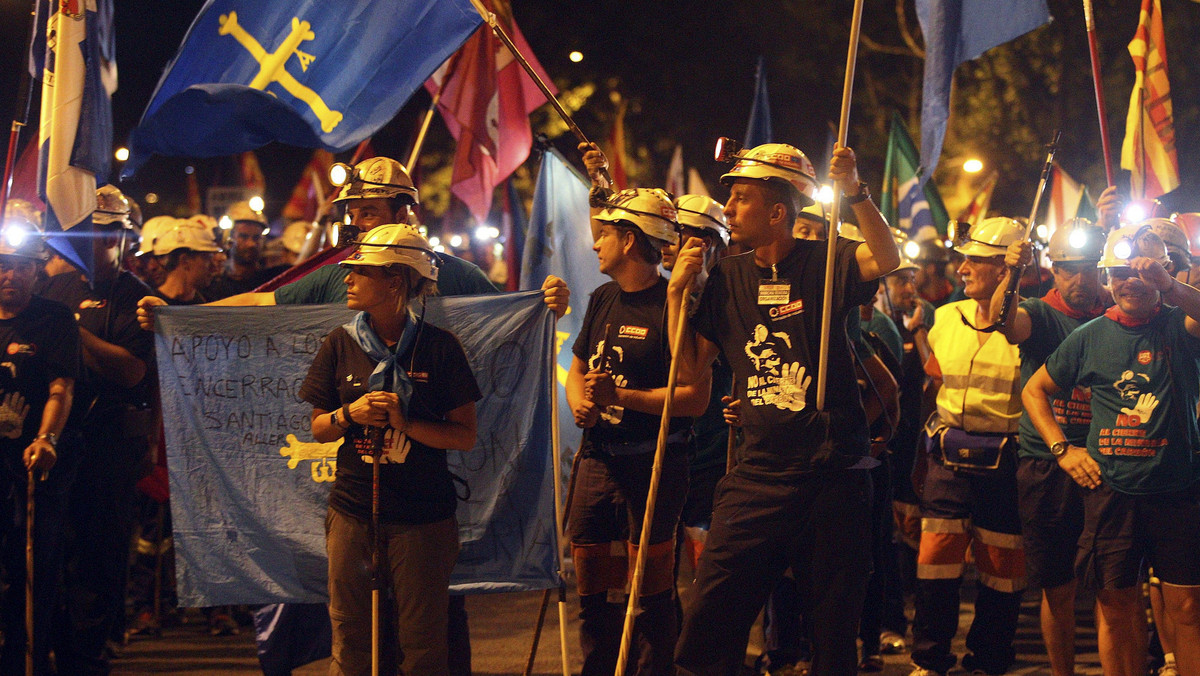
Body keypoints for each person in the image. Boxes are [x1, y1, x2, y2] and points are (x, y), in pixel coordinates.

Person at [136, 156, 567, 676]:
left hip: (434, 493)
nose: (358, 223)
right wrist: (178, 317)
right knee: (358, 630)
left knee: (431, 627)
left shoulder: (451, 275)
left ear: (404, 221)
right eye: (354, 212)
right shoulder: (342, 281)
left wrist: (548, 305)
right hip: (356, 495)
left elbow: (514, 315)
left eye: (369, 211)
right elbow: (264, 304)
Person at [668, 139, 899, 676]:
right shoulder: (726, 275)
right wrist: (679, 294)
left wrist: (857, 193)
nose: (727, 209)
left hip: (832, 477)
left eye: (741, 198)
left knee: (832, 638)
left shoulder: (829, 258)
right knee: (707, 625)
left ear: (778, 212)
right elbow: (688, 370)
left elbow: (887, 257)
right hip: (756, 478)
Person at [299, 223, 479, 675]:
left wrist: (407, 423)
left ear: (395, 281)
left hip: (423, 519)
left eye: (361, 271)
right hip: (353, 511)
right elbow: (319, 429)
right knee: (351, 634)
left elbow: (465, 435)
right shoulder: (339, 342)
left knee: (422, 642)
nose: (347, 278)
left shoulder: (440, 347)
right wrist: (349, 414)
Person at [1024, 225, 1200, 676]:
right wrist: (1063, 449)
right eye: (1120, 271)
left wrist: (1169, 285)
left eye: (1145, 271)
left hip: (1176, 489)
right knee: (1117, 606)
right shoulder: (1090, 335)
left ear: (1164, 272)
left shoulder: (1180, 325)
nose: (1131, 281)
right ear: (1107, 277)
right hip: (1112, 494)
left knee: (1188, 608)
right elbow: (1034, 391)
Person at [567, 163, 709, 675]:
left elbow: (693, 396)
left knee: (649, 592)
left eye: (604, 234)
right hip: (597, 460)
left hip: (653, 463)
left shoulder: (675, 303)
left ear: (629, 240)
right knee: (590, 584)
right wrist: (579, 399)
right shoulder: (603, 297)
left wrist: (622, 397)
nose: (595, 244)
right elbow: (578, 367)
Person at [989, 203, 1114, 676]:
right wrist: (1011, 272)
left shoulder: (1120, 313)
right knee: (1056, 586)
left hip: (1109, 462)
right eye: (1066, 271)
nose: (1077, 281)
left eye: (1085, 271)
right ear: (1053, 271)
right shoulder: (1040, 314)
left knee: (1112, 586)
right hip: (1047, 463)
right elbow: (1005, 322)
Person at [40, 186, 155, 675]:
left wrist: (72, 332)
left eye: (108, 233)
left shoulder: (140, 299)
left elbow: (132, 372)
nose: (95, 242)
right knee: (50, 556)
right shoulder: (52, 290)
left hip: (110, 450)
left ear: (125, 238)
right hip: (56, 447)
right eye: (85, 231)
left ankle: (85, 659)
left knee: (97, 561)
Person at [909, 217, 1028, 676]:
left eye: (974, 259)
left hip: (1006, 463)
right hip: (947, 460)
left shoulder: (1027, 324)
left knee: (1002, 573)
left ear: (1005, 270)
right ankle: (928, 659)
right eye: (963, 259)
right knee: (934, 566)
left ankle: (990, 661)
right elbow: (933, 382)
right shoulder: (944, 319)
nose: (961, 268)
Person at [0, 224, 78, 675]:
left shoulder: (53, 319)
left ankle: (26, 658)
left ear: (37, 271)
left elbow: (60, 385)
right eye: (4, 266)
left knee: (31, 569)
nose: (12, 276)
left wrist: (46, 438)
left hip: (30, 465)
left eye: (22, 267)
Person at [205, 200, 283, 300]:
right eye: (243, 237)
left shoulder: (273, 280)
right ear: (229, 239)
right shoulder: (213, 287)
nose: (251, 244)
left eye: (256, 237)